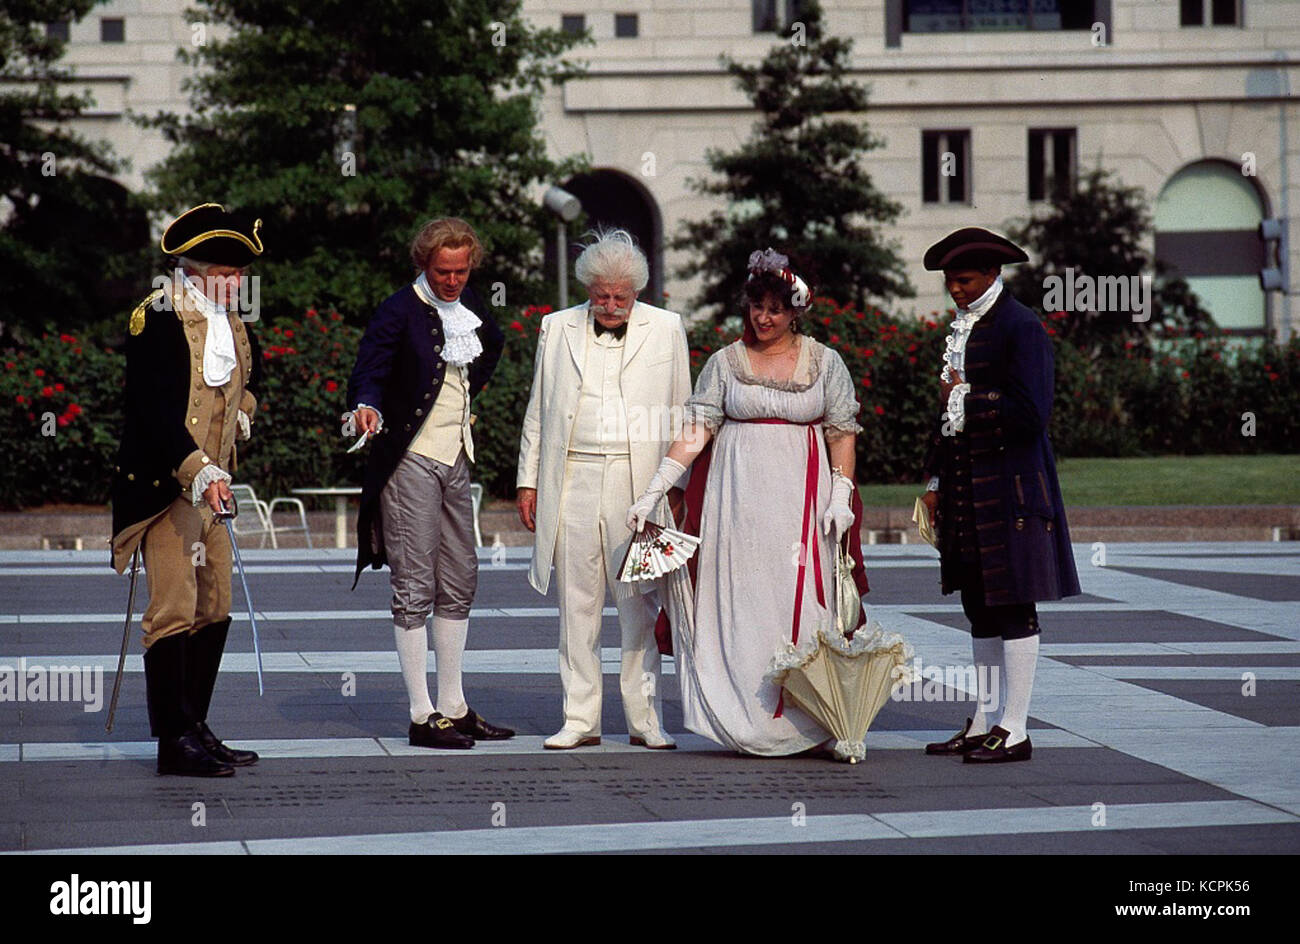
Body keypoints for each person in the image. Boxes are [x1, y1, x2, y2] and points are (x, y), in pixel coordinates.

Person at [626, 249, 862, 756]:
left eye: (775, 308)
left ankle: (819, 719)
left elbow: (842, 431)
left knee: (801, 604)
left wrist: (841, 494)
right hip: (738, 502)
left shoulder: (825, 362)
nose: (764, 317)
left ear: (796, 309)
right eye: (757, 306)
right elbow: (697, 428)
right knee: (742, 601)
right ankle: (745, 715)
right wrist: (655, 486)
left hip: (803, 502)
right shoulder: (726, 362)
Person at [516, 229, 691, 750]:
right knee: (576, 602)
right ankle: (579, 717)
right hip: (571, 476)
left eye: (621, 296)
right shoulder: (556, 327)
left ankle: (645, 719)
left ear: (637, 291)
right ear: (587, 289)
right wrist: (528, 480)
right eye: (601, 296)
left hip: (638, 483)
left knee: (640, 601)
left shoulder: (667, 328)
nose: (610, 306)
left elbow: (682, 409)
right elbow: (538, 410)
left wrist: (675, 485)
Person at [110, 202, 264, 777]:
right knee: (172, 610)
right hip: (165, 488)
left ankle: (195, 723)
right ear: (194, 269)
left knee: (215, 605)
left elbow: (246, 381)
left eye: (238, 274)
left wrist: (243, 411)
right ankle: (172, 742)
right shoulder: (156, 316)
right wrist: (197, 466)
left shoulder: (233, 321)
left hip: (213, 491)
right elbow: (151, 412)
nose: (235, 283)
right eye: (224, 274)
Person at [346, 217, 512, 750]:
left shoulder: (473, 306)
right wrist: (368, 407)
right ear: (424, 264)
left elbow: (491, 345)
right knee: (415, 583)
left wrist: (467, 403)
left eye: (462, 270)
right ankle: (421, 714)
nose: (453, 281)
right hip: (411, 457)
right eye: (443, 271)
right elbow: (367, 370)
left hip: (456, 455)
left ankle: (454, 705)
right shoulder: (398, 309)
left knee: (461, 576)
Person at [918, 227, 1081, 764]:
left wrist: (967, 394)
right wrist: (936, 481)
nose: (956, 290)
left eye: (964, 280)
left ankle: (1015, 728)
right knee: (979, 607)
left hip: (1011, 488)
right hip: (967, 486)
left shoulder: (1021, 327)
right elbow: (947, 418)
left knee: (1014, 605)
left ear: (993, 274)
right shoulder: (965, 327)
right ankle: (986, 719)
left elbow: (1033, 412)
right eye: (950, 282)